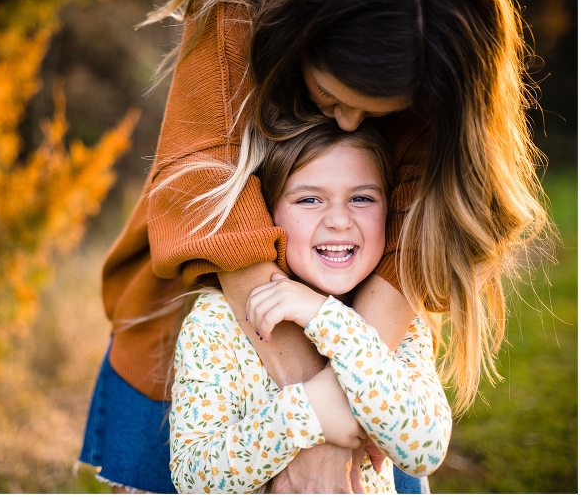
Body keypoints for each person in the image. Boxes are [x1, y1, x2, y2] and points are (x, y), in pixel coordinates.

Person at [79, 0, 548, 493]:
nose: (345, 122)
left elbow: (424, 444)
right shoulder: (238, 4)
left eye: (382, 111)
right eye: (333, 96)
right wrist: (318, 417)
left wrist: (335, 372)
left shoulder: (397, 343)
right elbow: (208, 181)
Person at [169, 120, 452, 493]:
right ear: (267, 216)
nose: (338, 220)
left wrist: (324, 317)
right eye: (309, 199)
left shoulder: (399, 320)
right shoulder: (216, 323)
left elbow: (425, 448)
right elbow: (194, 477)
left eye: (362, 198)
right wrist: (306, 414)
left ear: (391, 212)